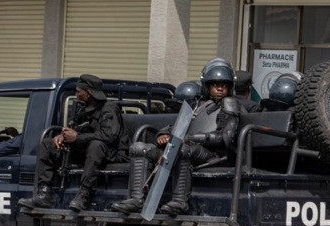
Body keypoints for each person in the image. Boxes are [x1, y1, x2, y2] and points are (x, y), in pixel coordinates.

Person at [112, 60, 240, 216]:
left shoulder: (229, 104)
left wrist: (189, 138)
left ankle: (179, 201)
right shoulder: (198, 104)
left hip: (212, 154)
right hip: (184, 146)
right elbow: (177, 125)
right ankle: (137, 199)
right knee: (139, 148)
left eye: (224, 85)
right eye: (215, 85)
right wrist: (163, 135)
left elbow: (224, 138)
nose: (220, 88)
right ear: (207, 86)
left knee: (183, 149)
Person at [19, 74, 124, 212]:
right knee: (47, 143)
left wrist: (77, 137)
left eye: (78, 91)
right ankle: (44, 194)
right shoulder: (82, 108)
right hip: (88, 153)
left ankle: (84, 194)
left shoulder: (109, 108)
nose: (76, 94)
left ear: (88, 93)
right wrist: (62, 136)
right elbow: (75, 130)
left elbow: (109, 136)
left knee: (96, 145)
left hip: (111, 153)